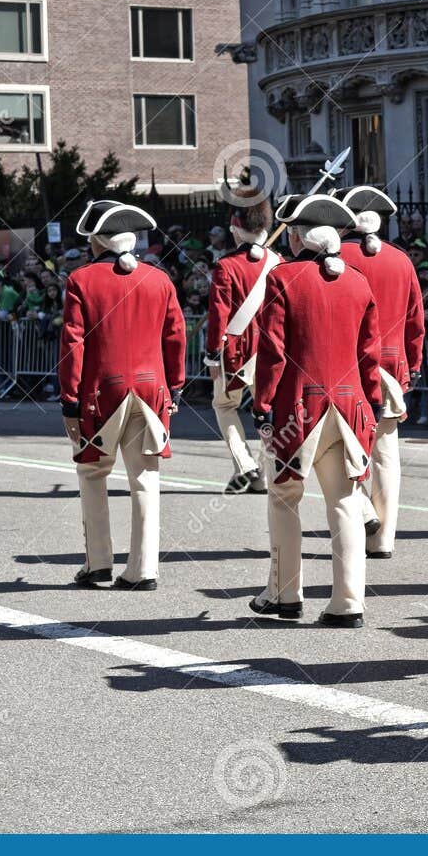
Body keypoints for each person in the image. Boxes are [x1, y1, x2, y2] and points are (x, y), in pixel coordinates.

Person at [250, 194, 382, 628]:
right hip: (350, 404)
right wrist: (374, 400)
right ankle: (348, 603)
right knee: (343, 502)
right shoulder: (359, 281)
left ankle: (287, 596)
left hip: (298, 407)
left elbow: (273, 350)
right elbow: (369, 354)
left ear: (298, 236)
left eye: (289, 231)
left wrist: (263, 403)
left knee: (285, 498)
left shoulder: (283, 278)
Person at [60, 200, 186, 591]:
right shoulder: (159, 279)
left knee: (93, 471)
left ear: (98, 241)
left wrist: (69, 398)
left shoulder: (81, 280)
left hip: (102, 389)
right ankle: (143, 568)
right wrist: (176, 385)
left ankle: (98, 562)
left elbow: (73, 343)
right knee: (145, 477)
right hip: (152, 387)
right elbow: (176, 336)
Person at [337, 185, 426, 560]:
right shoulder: (401, 260)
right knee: (386, 454)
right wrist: (413, 364)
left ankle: (364, 510)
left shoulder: (335, 256)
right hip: (390, 365)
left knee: (340, 448)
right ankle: (384, 537)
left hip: (344, 366)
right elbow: (415, 320)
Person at [203, 196, 279, 494]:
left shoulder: (226, 266)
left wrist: (211, 357)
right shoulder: (279, 262)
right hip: (272, 350)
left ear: (236, 228)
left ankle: (246, 464)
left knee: (223, 405)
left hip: (238, 351)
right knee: (266, 410)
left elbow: (218, 313)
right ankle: (262, 475)